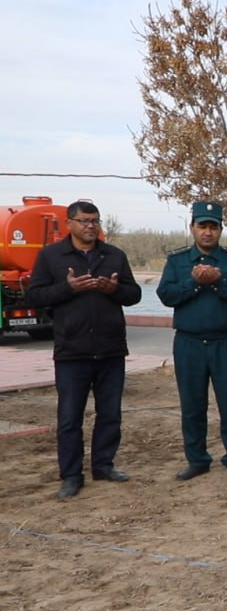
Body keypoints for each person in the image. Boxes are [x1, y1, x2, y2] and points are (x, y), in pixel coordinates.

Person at [25, 201, 142, 499]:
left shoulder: (114, 256)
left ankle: (103, 465)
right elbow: (35, 296)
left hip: (110, 349)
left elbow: (134, 295)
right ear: (69, 224)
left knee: (110, 414)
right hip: (71, 351)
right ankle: (71, 475)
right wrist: (69, 289)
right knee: (69, 418)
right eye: (84, 221)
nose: (91, 226)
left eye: (95, 221)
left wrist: (113, 290)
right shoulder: (51, 256)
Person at [157, 201, 227, 481]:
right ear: (192, 228)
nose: (208, 232)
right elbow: (167, 295)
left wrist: (217, 282)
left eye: (213, 226)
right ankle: (197, 459)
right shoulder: (177, 261)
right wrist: (195, 282)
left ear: (221, 229)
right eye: (203, 226)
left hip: (226, 343)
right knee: (192, 405)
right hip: (189, 343)